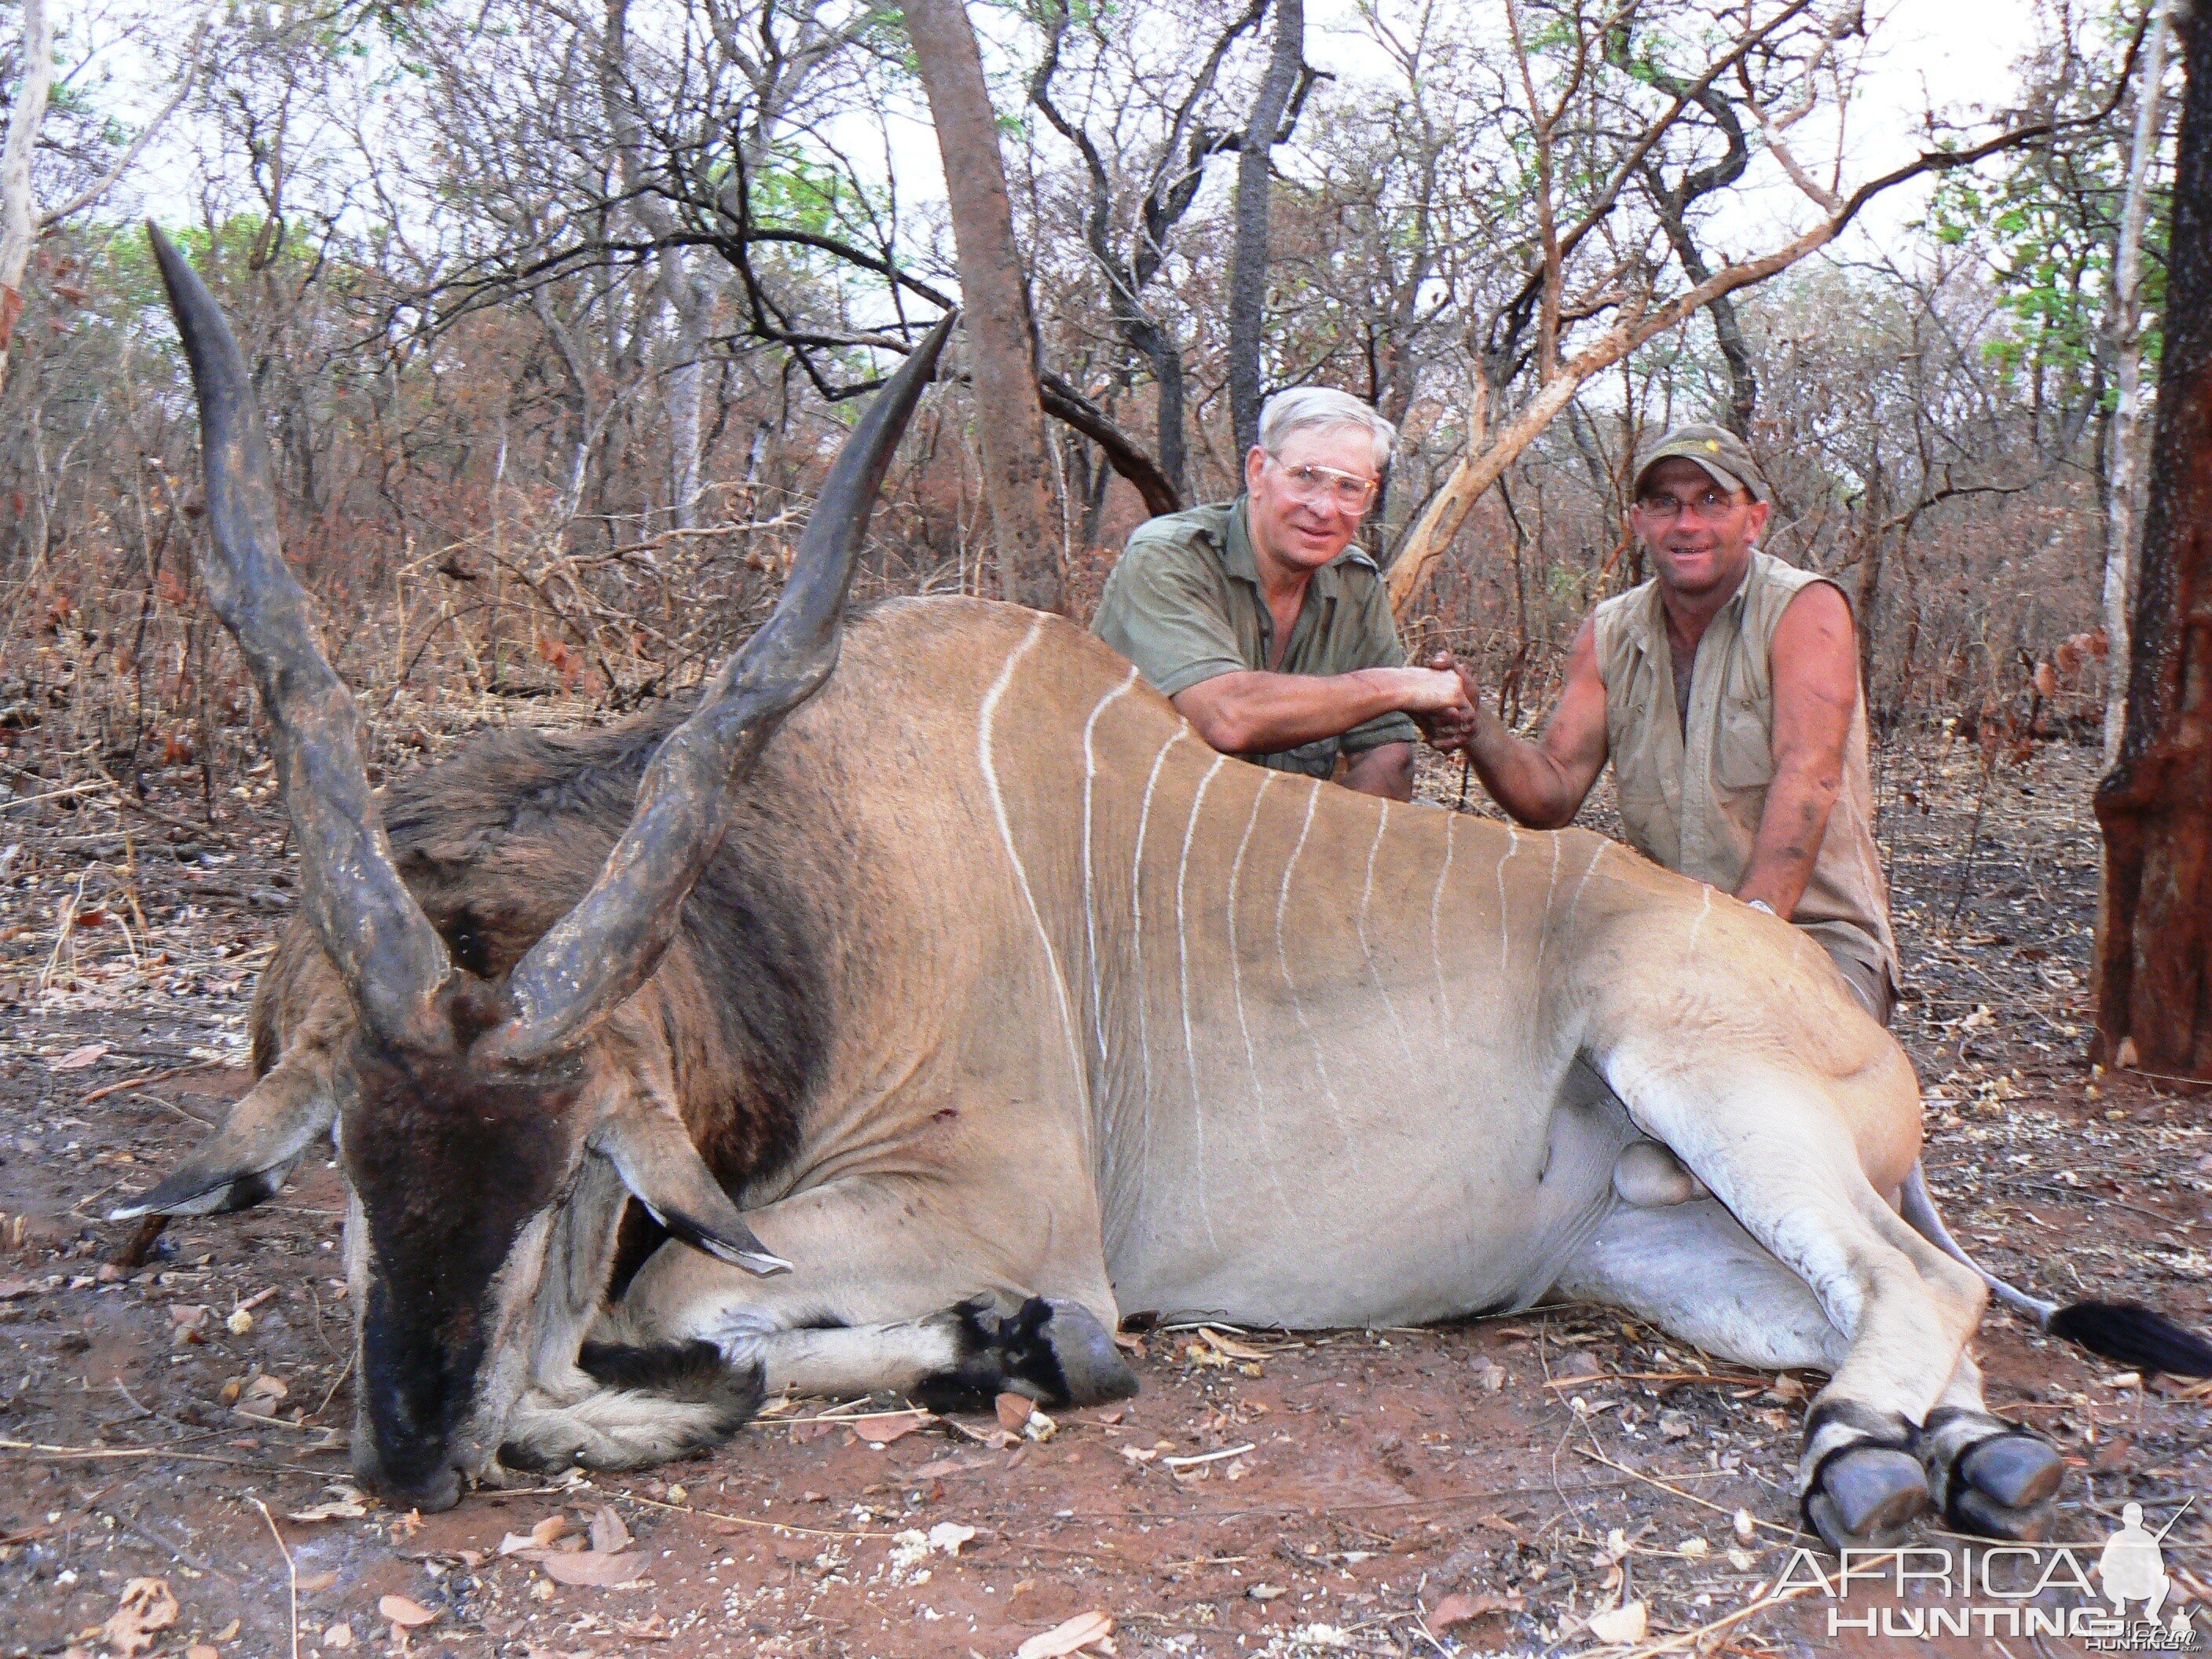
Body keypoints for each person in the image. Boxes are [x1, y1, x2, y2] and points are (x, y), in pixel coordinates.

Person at [1428, 423, 1899, 1022]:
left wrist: (1740, 949)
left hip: (1813, 938)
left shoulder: (1805, 609)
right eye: (1665, 504)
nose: (1687, 524)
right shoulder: (1610, 631)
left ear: (1754, 520)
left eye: (1711, 502)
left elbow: (1809, 777)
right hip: (1667, 933)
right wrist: (1476, 725)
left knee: (1743, 1061)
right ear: (1638, 522)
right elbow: (1550, 794)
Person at [1092, 387, 1469, 801]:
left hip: (1279, 842)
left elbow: (1386, 755)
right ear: (1258, 472)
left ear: (1370, 494)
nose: (1325, 508)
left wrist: (1319, 852)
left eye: (1349, 487)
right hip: (1132, 834)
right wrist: (1399, 686)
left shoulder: (1356, 582)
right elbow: (1227, 717)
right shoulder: (1170, 557)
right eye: (1306, 476)